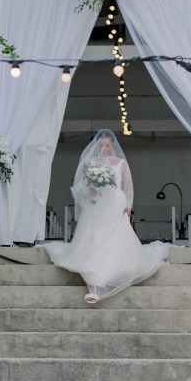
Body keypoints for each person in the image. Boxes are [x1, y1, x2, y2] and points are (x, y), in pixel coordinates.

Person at [41, 129, 170, 304]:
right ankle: (93, 286)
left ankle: (108, 272)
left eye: (107, 145)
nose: (104, 148)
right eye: (101, 145)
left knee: (115, 236)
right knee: (95, 237)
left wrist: (129, 207)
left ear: (113, 145)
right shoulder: (93, 162)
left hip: (116, 202)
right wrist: (93, 191)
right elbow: (88, 190)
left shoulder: (121, 163)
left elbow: (129, 187)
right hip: (99, 205)